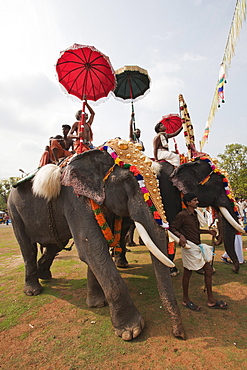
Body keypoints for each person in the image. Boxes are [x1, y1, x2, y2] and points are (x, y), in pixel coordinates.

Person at [170, 192, 227, 311]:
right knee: (192, 271)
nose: (197, 202)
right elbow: (172, 227)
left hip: (197, 246)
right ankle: (188, 300)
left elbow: (196, 231)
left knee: (204, 270)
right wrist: (180, 236)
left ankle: (209, 299)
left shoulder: (195, 214)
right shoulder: (182, 215)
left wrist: (208, 231)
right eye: (195, 200)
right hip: (189, 248)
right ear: (188, 202)